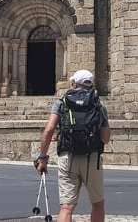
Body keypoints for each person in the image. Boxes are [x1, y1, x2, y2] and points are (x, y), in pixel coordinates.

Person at [34, 69, 109, 222]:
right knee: (97, 204)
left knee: (67, 207)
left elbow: (49, 130)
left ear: (74, 83)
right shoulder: (98, 105)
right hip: (91, 159)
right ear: (90, 84)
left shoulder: (62, 102)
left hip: (68, 157)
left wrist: (42, 157)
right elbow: (106, 138)